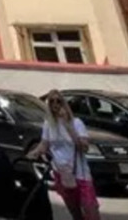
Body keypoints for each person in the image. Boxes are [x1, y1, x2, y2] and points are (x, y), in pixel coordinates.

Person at [35, 91, 97, 220]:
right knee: (75, 213)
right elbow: (44, 144)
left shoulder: (76, 123)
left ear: (64, 103)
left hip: (80, 174)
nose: (55, 104)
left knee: (91, 213)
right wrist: (33, 153)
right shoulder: (48, 124)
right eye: (51, 101)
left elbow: (84, 147)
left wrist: (68, 126)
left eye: (58, 101)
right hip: (62, 174)